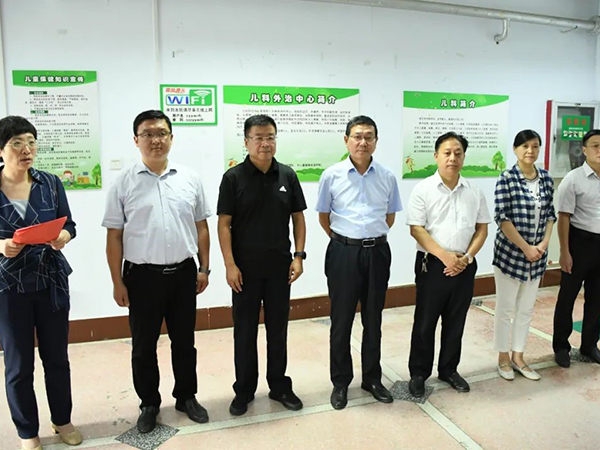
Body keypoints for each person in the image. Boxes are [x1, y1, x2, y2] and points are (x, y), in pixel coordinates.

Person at [102, 110, 211, 433]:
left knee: (184, 341)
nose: (155, 140)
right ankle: (149, 403)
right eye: (147, 134)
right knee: (143, 345)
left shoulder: (189, 178)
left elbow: (201, 227)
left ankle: (186, 396)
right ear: (136, 140)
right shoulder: (123, 183)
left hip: (183, 273)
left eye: (161, 133)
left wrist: (204, 268)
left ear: (171, 138)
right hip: (141, 277)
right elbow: (114, 236)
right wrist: (117, 281)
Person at [0, 116, 82, 449]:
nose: (27, 149)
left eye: (31, 142)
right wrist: (1, 245)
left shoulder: (49, 182)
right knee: (18, 365)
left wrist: (63, 236)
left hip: (50, 281)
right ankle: (27, 432)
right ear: (1, 150)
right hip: (9, 286)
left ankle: (62, 419)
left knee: (57, 358)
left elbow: (70, 224)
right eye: (17, 143)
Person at [217, 114, 307, 416]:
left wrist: (299, 256)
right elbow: (224, 224)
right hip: (244, 271)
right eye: (258, 138)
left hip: (280, 268)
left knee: (277, 330)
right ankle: (244, 390)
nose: (265, 143)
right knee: (244, 332)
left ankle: (279, 385)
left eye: (270, 137)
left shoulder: (287, 175)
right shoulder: (233, 178)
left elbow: (298, 217)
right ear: (246, 142)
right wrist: (229, 265)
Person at [316, 115, 402, 410]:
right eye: (357, 136)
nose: (362, 142)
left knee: (373, 319)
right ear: (346, 140)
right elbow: (324, 217)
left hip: (377, 253)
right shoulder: (332, 175)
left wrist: (369, 238)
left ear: (376, 141)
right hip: (343, 253)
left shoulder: (387, 176)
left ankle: (372, 379)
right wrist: (346, 240)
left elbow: (389, 217)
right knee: (341, 320)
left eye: (368, 136)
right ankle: (340, 382)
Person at [406, 132, 490, 398]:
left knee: (456, 321)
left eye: (458, 153)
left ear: (463, 157)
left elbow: (482, 229)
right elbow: (416, 229)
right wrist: (445, 256)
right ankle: (419, 373)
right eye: (447, 153)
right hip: (432, 265)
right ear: (436, 156)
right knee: (425, 322)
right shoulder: (423, 189)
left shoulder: (474, 191)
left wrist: (466, 258)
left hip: (464, 265)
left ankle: (449, 369)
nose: (452, 158)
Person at [493, 130, 555, 381]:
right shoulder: (507, 178)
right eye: (525, 146)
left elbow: (550, 214)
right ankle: (503, 357)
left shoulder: (546, 178)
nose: (530, 151)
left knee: (526, 309)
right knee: (505, 309)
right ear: (515, 149)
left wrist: (543, 244)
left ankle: (518, 357)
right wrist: (525, 247)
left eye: (535, 146)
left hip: (537, 257)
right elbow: (502, 218)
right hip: (510, 255)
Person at [552, 129, 600, 368]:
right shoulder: (573, 179)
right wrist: (564, 251)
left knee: (597, 299)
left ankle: (589, 345)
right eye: (595, 146)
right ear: (584, 150)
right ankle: (561, 346)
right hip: (579, 243)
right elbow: (563, 217)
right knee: (567, 297)